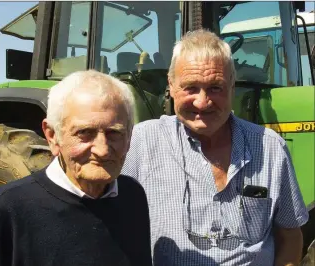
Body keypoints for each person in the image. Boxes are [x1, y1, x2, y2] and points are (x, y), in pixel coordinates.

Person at [121, 29, 309, 265]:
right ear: (171, 85)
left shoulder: (270, 147)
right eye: (190, 87)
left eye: (215, 88)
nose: (202, 102)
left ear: (232, 85)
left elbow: (290, 235)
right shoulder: (142, 142)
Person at [0, 70, 152, 266]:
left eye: (114, 133)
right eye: (85, 133)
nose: (102, 150)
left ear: (129, 137)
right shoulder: (5, 212)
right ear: (52, 136)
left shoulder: (133, 196)